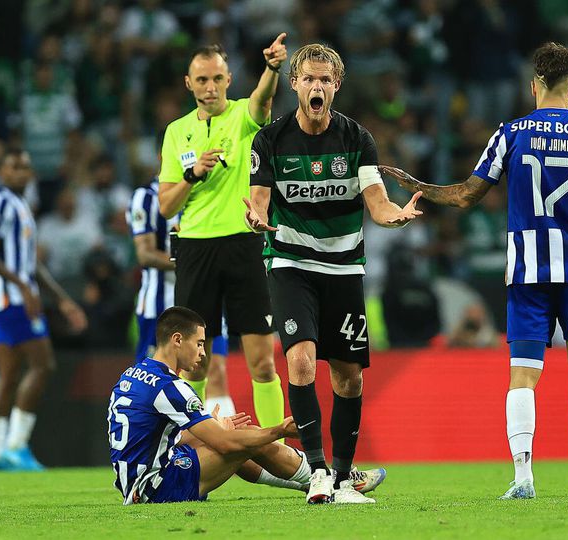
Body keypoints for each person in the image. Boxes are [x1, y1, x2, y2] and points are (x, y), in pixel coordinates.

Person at [380, 42, 568, 499]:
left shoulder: (511, 133)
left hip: (527, 270)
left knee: (522, 374)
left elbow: (466, 195)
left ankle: (522, 478)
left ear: (533, 84)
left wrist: (420, 188)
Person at [243, 43, 418, 504]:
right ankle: (317, 471)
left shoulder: (357, 139)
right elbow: (259, 200)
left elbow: (375, 199)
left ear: (336, 86)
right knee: (299, 359)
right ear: (295, 83)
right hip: (290, 263)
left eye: (325, 80)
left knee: (349, 378)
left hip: (343, 268)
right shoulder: (271, 140)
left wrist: (392, 215)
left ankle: (342, 477)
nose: (317, 86)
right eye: (309, 78)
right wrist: (257, 218)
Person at [157, 36, 288, 433]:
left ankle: (276, 450)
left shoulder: (243, 118)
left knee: (262, 362)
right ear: (188, 83)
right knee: (193, 365)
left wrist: (272, 69)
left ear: (229, 79)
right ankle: (193, 449)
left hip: (244, 244)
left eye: (216, 78)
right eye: (201, 80)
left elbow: (263, 101)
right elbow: (165, 206)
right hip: (195, 249)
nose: (209, 87)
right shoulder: (176, 132)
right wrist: (192, 174)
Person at [108, 306, 308, 505]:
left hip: (136, 481)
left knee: (236, 435)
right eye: (199, 344)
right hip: (155, 488)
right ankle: (320, 476)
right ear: (177, 340)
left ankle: (309, 482)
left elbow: (161, 438)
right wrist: (280, 430)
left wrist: (212, 427)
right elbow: (226, 443)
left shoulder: (132, 374)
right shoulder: (170, 387)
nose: (203, 353)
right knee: (244, 440)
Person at [0, 149, 87, 472]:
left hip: (13, 296)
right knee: (43, 365)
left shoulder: (21, 205)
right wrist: (22, 287)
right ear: (2, 172)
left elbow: (30, 264)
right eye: (14, 166)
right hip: (10, 299)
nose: (22, 172)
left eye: (26, 166)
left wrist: (62, 299)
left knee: (9, 376)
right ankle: (15, 446)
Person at [127, 148, 237, 416]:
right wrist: (191, 262)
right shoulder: (147, 197)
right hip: (160, 305)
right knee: (153, 381)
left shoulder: (207, 191)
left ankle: (223, 449)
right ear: (163, 158)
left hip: (205, 298)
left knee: (216, 371)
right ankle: (146, 445)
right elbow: (144, 253)